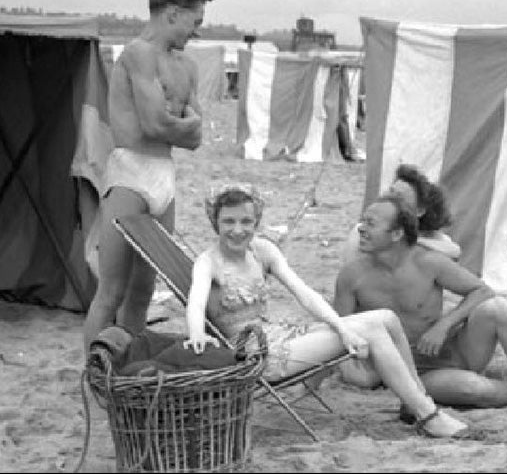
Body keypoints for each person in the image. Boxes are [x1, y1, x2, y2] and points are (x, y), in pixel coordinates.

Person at [183, 183, 471, 438]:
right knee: (371, 328)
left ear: (256, 221)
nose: (238, 230)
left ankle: (416, 401)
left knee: (386, 318)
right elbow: (196, 302)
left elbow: (306, 294)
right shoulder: (208, 262)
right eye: (228, 222)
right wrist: (197, 333)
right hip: (253, 354)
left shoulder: (262, 250)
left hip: (280, 333)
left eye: (246, 221)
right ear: (215, 223)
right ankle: (430, 417)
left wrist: (341, 327)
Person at [334, 194, 507, 410]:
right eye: (362, 222)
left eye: (370, 224)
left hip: (450, 351)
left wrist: (442, 326)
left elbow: (482, 290)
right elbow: (338, 331)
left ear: (396, 234)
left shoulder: (429, 262)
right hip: (410, 371)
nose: (361, 229)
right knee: (474, 389)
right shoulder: (352, 276)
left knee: (496, 308)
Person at [83, 0, 213, 351]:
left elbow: (197, 137)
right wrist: (179, 123)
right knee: (111, 289)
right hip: (129, 174)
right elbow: (155, 125)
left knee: (143, 289)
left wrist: (174, 125)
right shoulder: (138, 53)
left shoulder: (186, 66)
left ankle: (129, 367)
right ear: (172, 14)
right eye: (195, 22)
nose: (197, 32)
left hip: (163, 178)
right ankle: (95, 374)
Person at [340, 163, 461, 264]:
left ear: (419, 210)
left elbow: (453, 251)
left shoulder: (437, 241)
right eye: (390, 193)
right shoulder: (363, 233)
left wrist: (414, 242)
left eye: (399, 197)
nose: (390, 200)